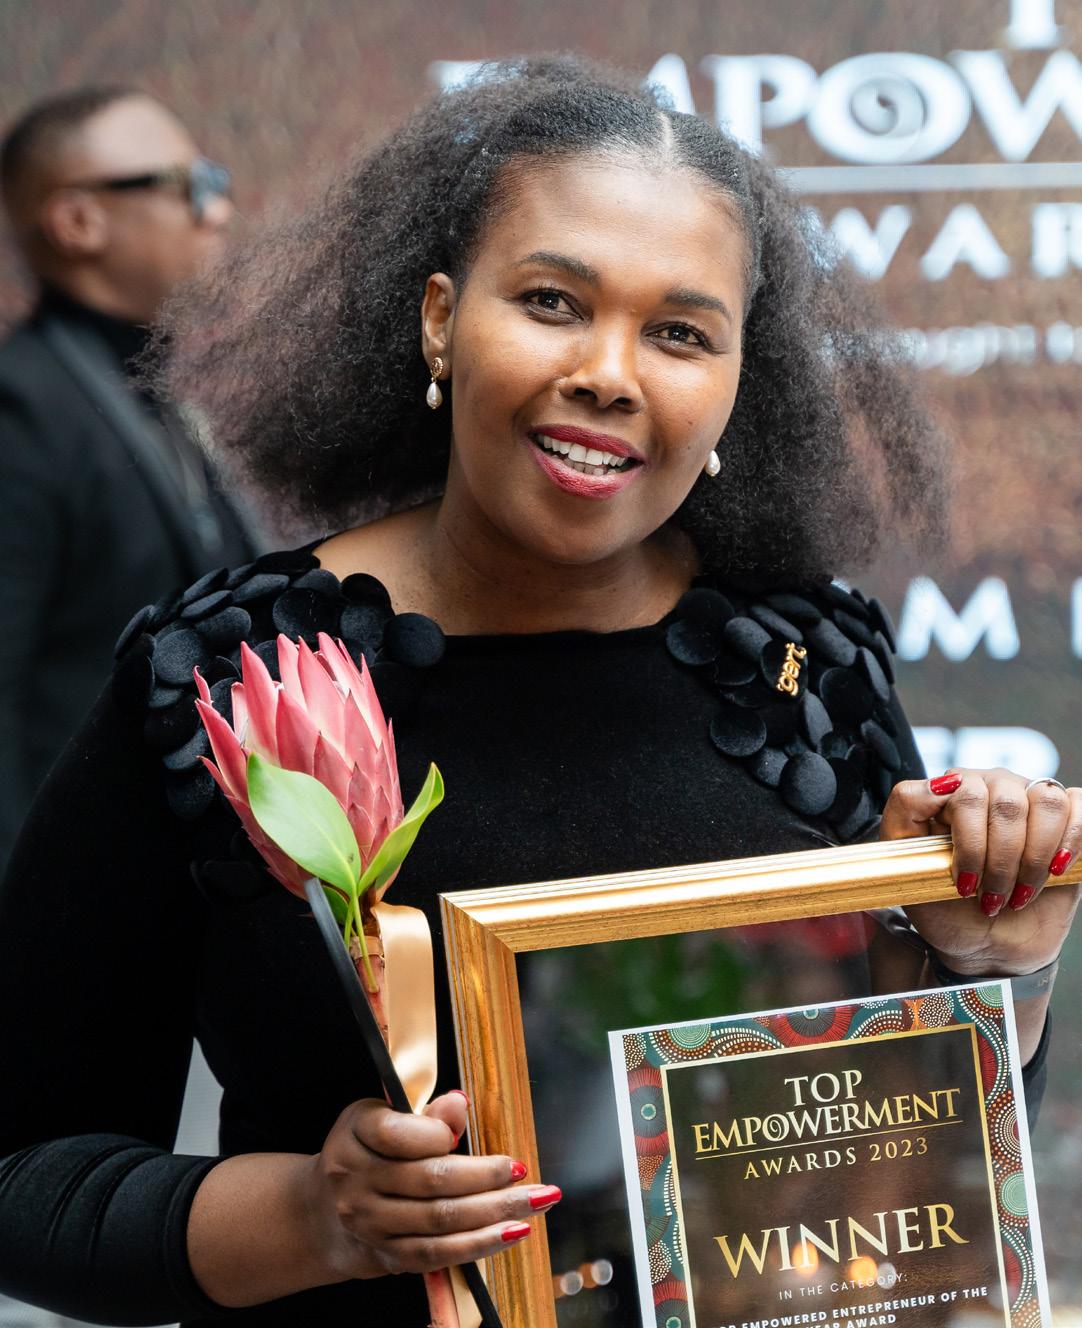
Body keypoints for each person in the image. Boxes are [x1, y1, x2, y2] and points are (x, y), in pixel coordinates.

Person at [0, 57, 1077, 1327]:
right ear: (440, 319)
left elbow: (913, 1182)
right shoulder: (233, 675)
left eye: (679, 332)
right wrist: (316, 1217)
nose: (608, 371)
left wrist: (997, 970)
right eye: (553, 301)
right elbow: (25, 1177)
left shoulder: (806, 660)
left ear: (738, 382)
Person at [0, 87, 258, 872]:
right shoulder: (21, 412)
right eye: (190, 186)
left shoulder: (139, 394)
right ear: (79, 221)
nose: (217, 211)